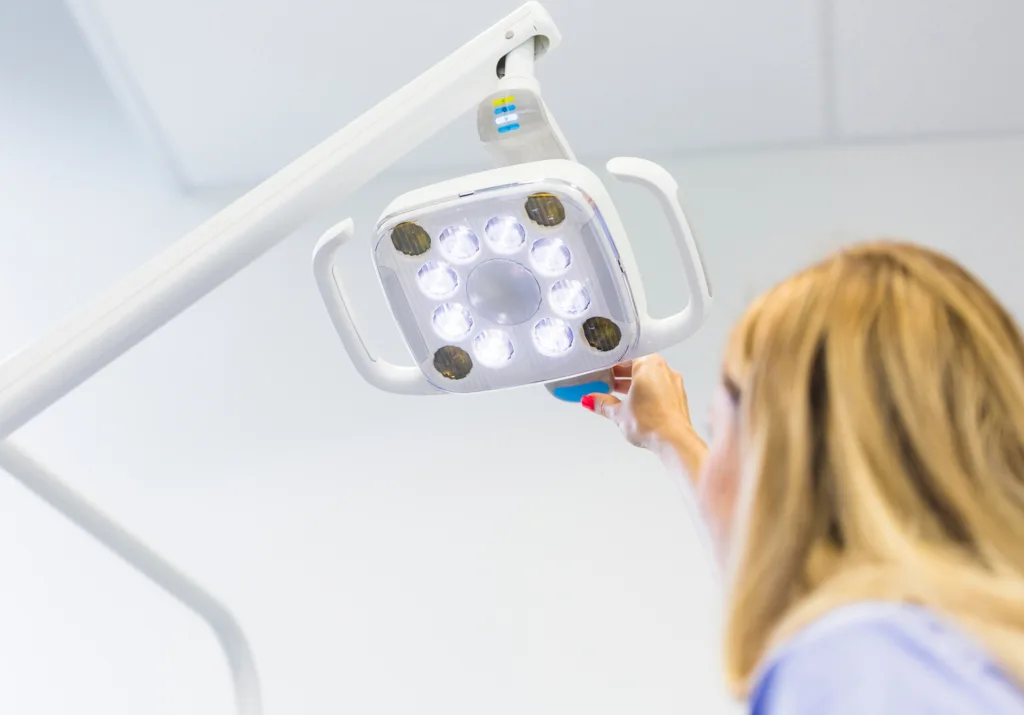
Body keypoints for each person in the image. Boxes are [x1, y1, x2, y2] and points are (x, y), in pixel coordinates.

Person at [582, 240, 1024, 713]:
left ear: (786, 464)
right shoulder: (973, 647)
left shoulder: (854, 660)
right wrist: (670, 434)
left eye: (719, 430)